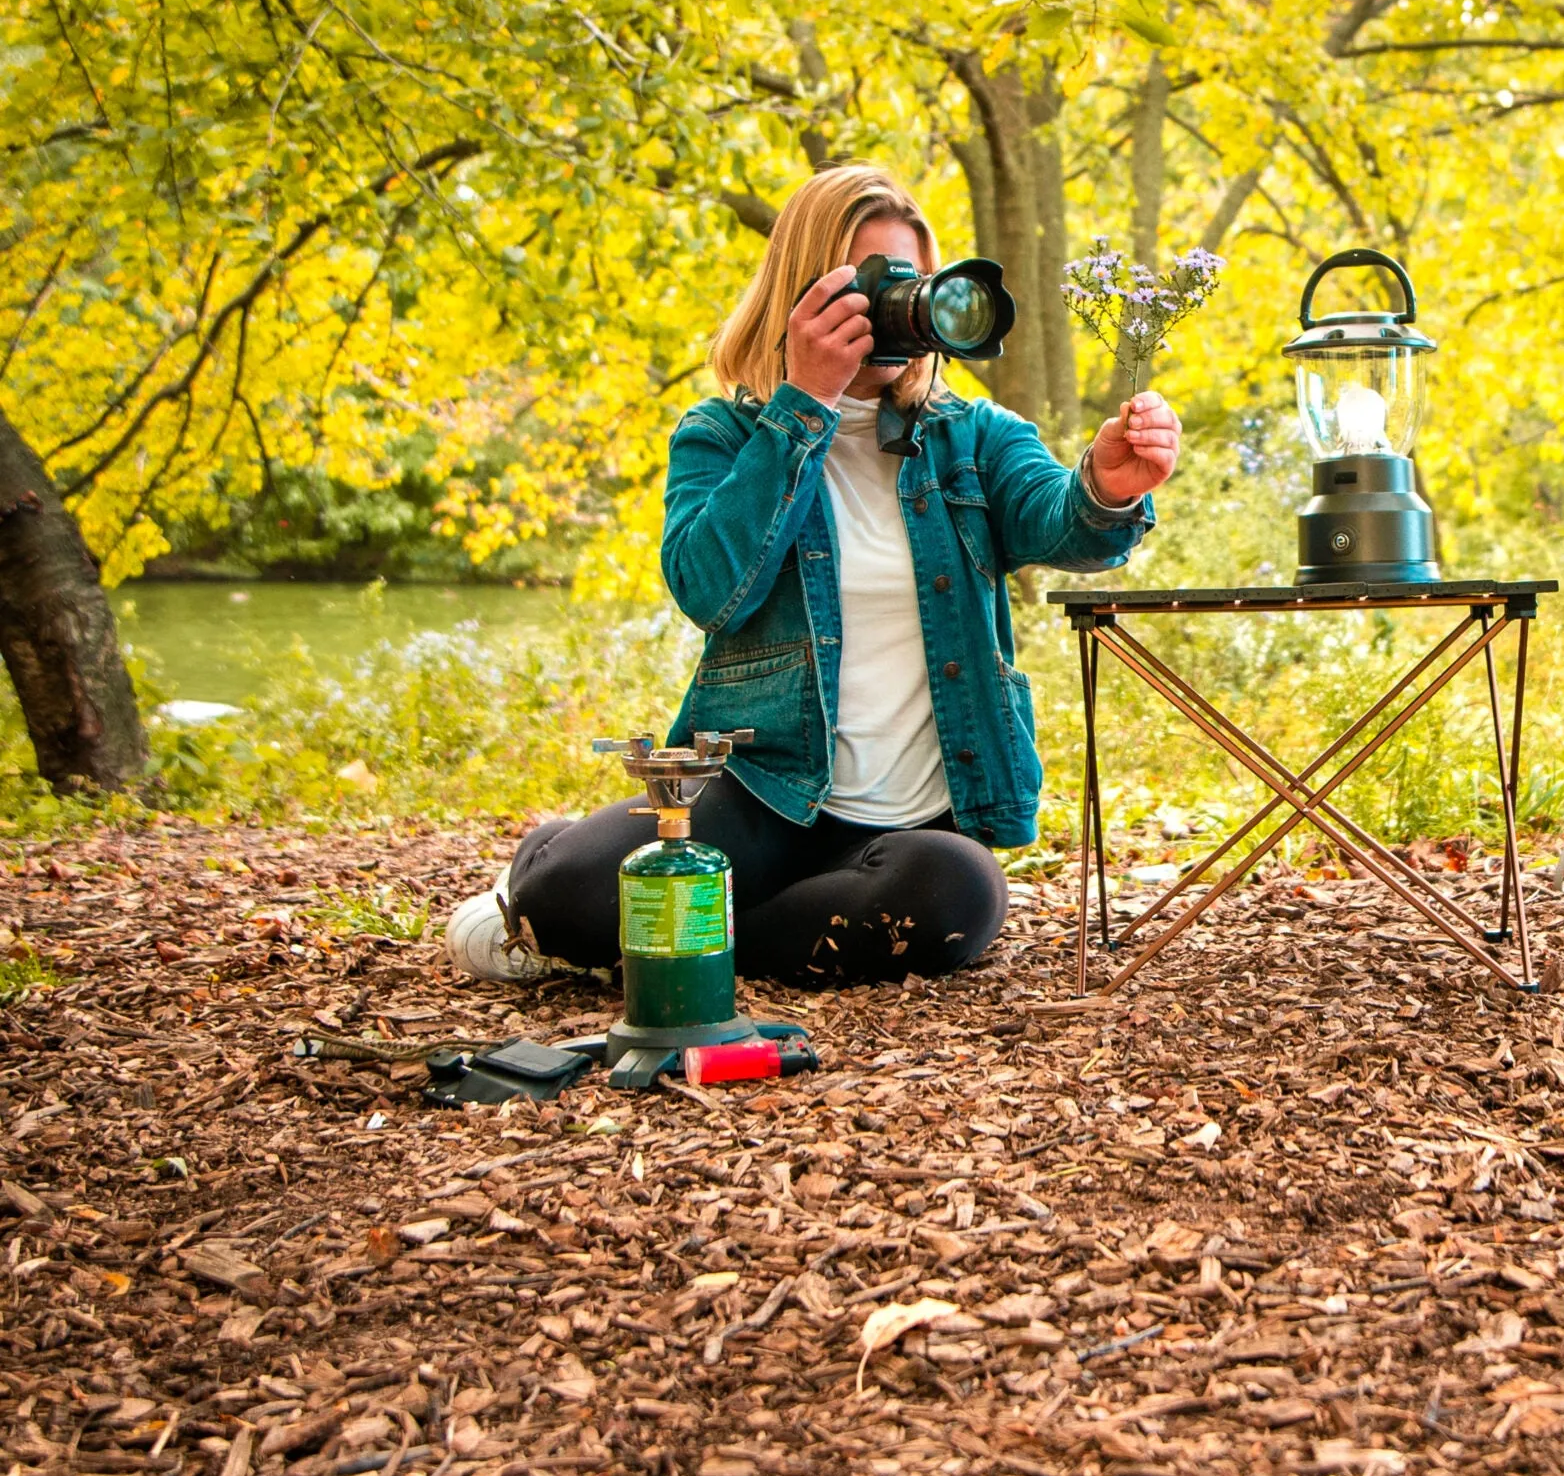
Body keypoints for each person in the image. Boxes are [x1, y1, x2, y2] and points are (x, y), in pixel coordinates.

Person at [445, 161, 1181, 988]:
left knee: (955, 894)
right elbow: (710, 588)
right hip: (764, 789)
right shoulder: (725, 432)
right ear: (805, 294)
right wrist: (806, 403)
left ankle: (688, 938)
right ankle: (573, 866)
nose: (903, 309)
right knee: (564, 898)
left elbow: (1061, 520)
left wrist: (1110, 485)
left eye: (918, 284)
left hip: (912, 827)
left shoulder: (975, 435)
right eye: (879, 285)